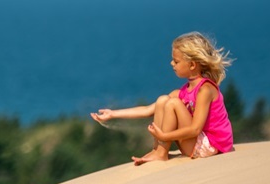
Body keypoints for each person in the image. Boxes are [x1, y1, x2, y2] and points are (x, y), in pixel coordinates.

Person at [90, 31, 234, 166]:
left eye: (176, 61)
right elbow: (147, 110)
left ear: (191, 65)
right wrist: (113, 114)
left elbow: (195, 129)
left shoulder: (205, 90)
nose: (172, 64)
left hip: (212, 146)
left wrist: (165, 136)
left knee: (172, 103)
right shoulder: (183, 91)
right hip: (196, 144)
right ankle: (158, 151)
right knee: (162, 100)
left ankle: (161, 152)